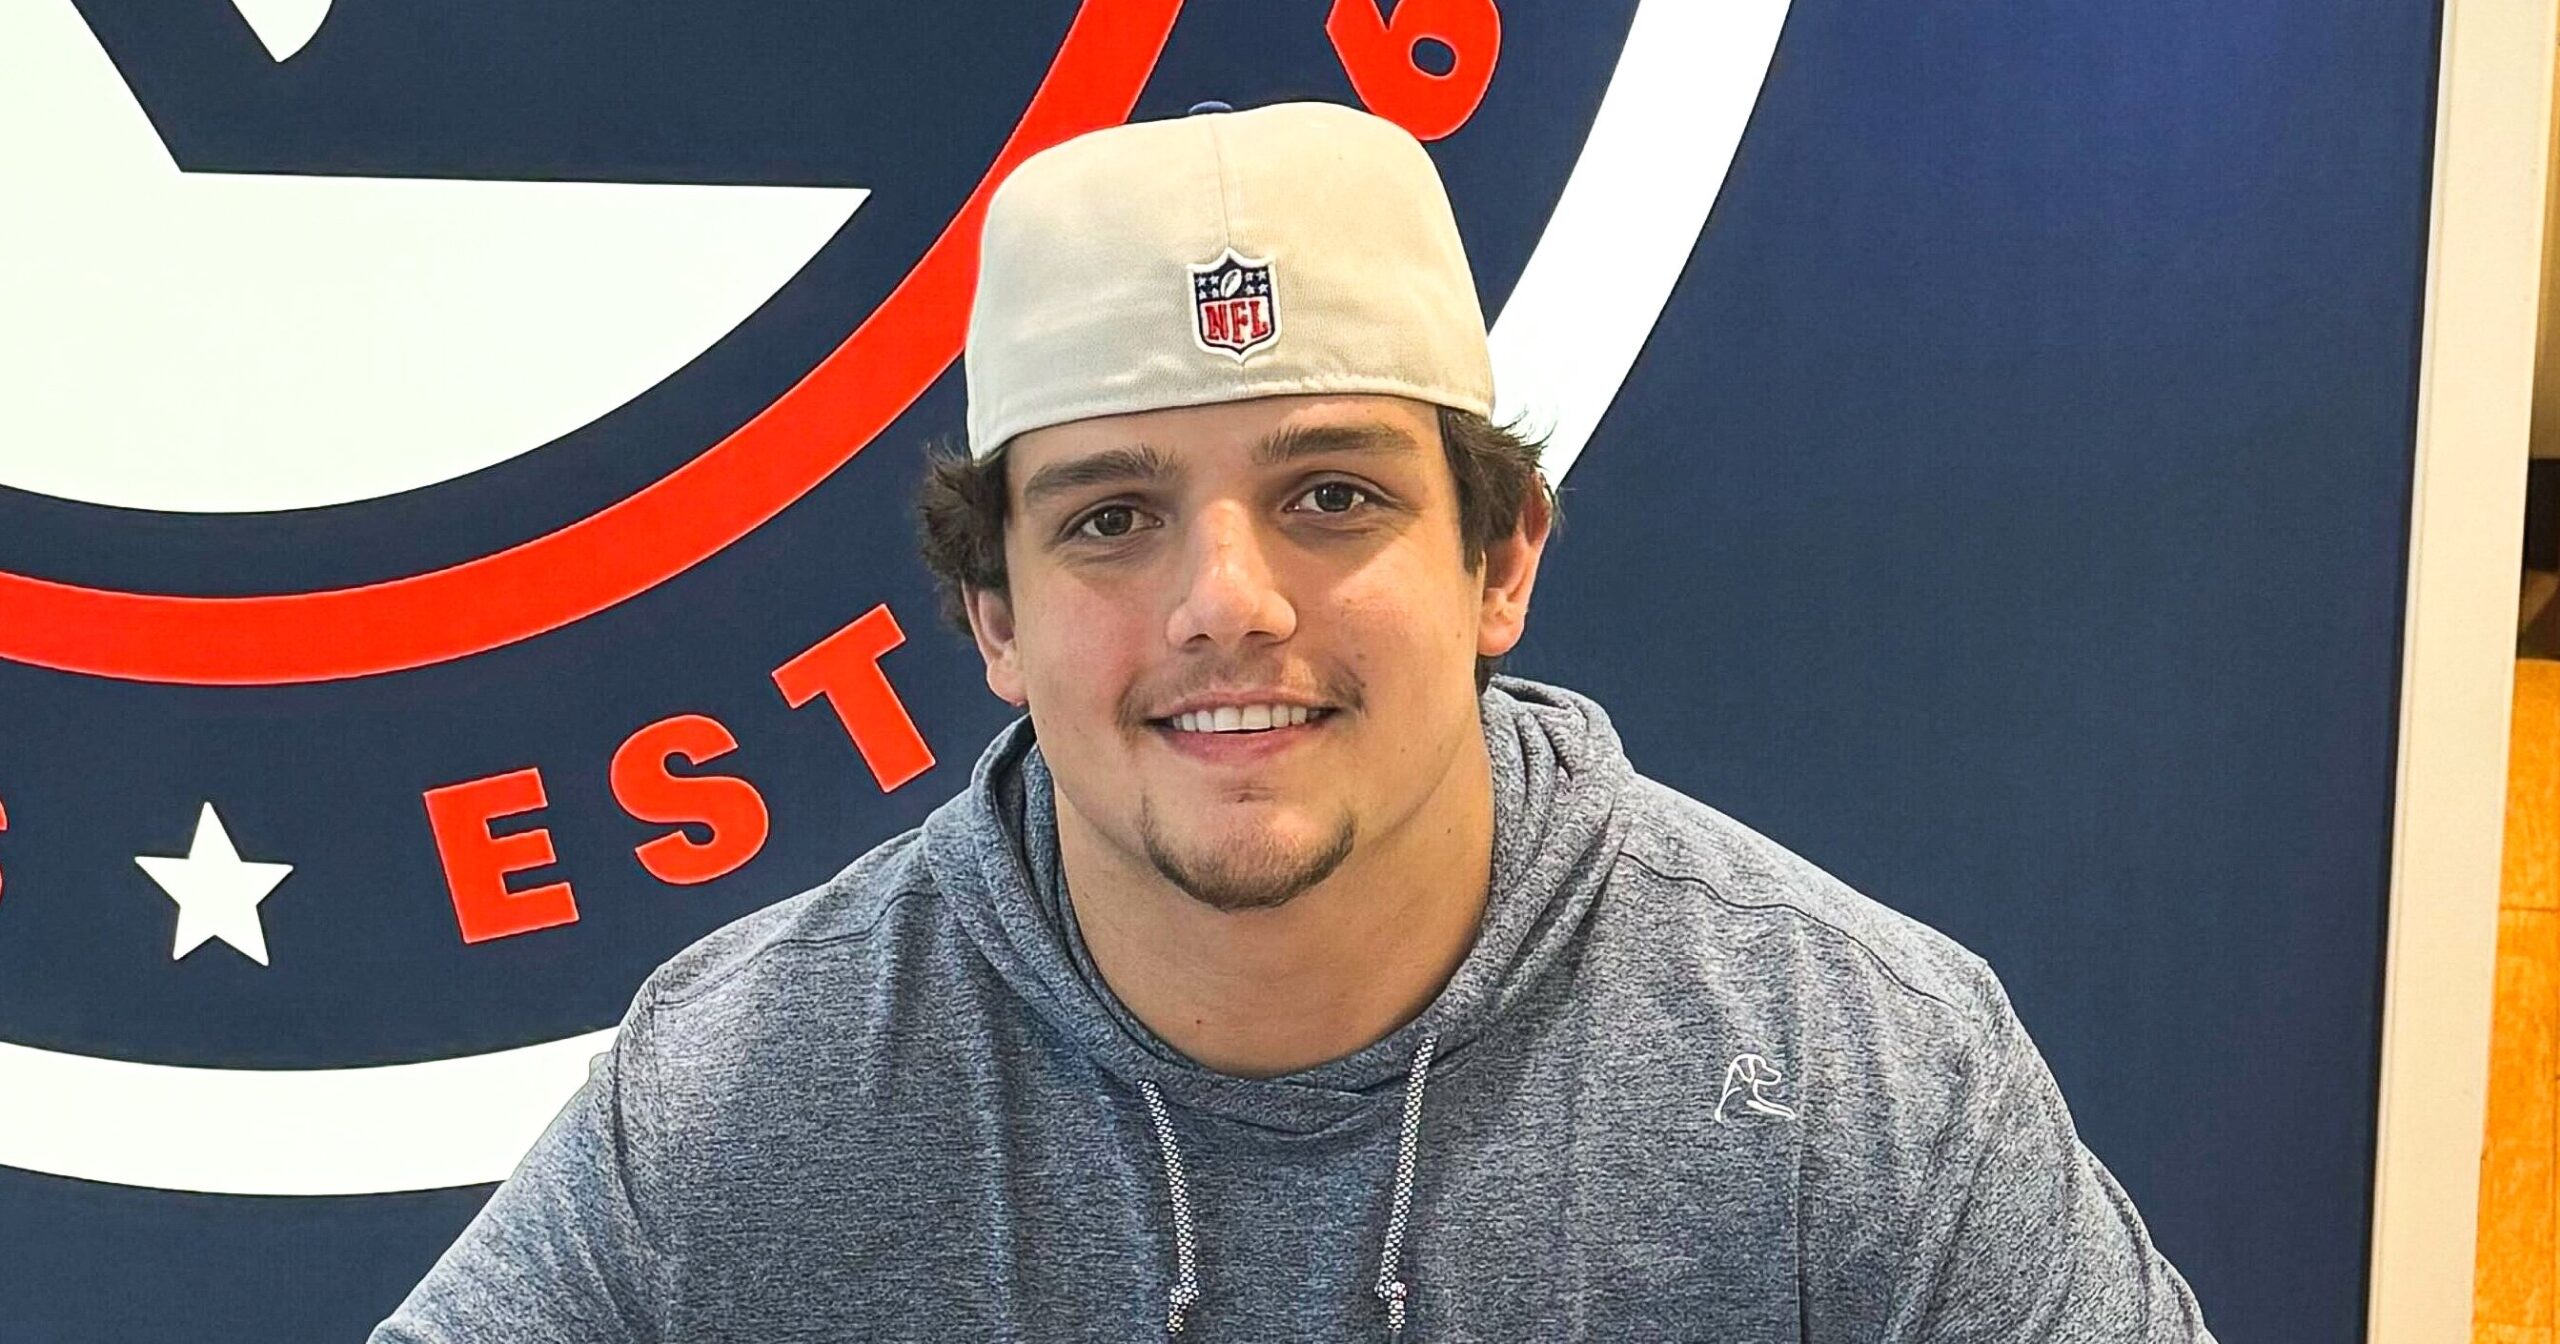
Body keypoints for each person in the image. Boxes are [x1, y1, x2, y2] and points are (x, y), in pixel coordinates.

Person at [371, 100, 2215, 1341]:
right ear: (995, 619)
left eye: (1332, 495)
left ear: (1501, 560)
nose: (1228, 601)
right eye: (1112, 517)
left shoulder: (1854, 1076)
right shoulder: (743, 1095)